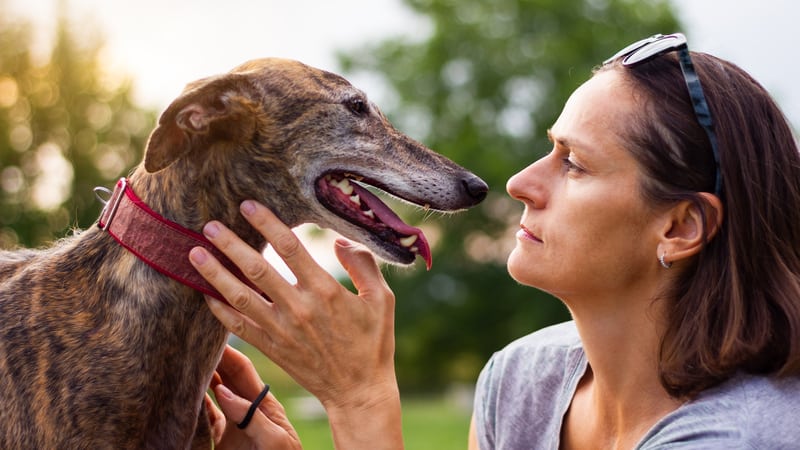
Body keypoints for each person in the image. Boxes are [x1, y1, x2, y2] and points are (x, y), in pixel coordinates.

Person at [188, 33, 800, 449]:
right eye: (549, 148)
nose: (520, 182)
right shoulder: (520, 382)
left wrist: (360, 400)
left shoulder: (746, 435)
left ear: (681, 227)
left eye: (575, 164)